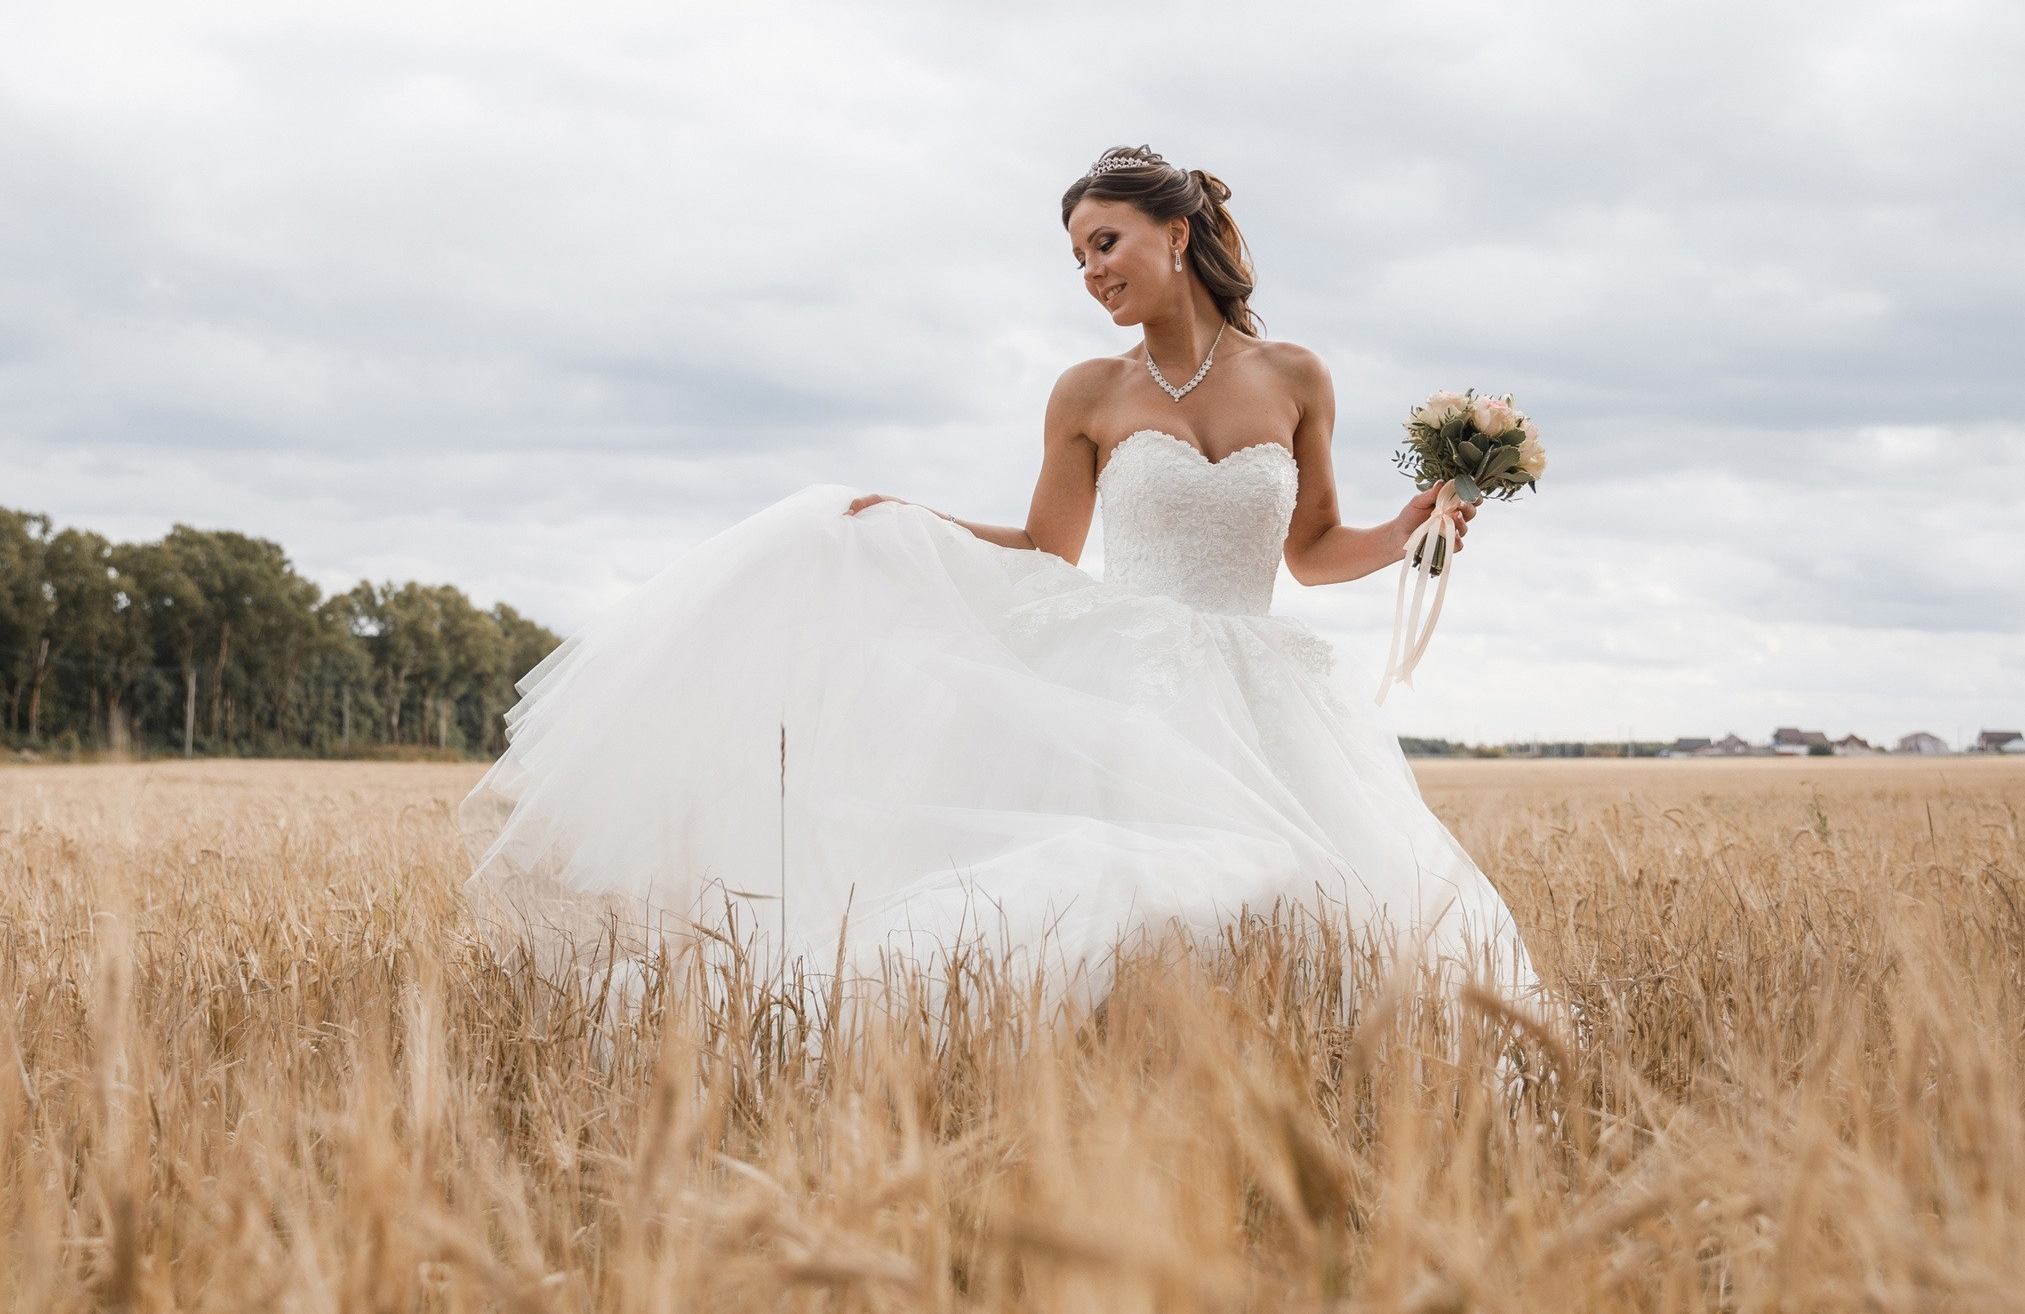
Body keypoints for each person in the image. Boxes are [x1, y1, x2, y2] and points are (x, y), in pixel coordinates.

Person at [465, 145, 1532, 999]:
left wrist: (1408, 530)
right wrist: (910, 522)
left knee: (1328, 912)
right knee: (1129, 902)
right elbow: (1046, 550)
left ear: (1178, 232)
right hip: (1133, 683)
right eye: (1077, 257)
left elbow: (1307, 549)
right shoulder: (1087, 392)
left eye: (1105, 241)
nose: (1091, 271)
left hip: (1267, 688)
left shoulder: (1296, 376)